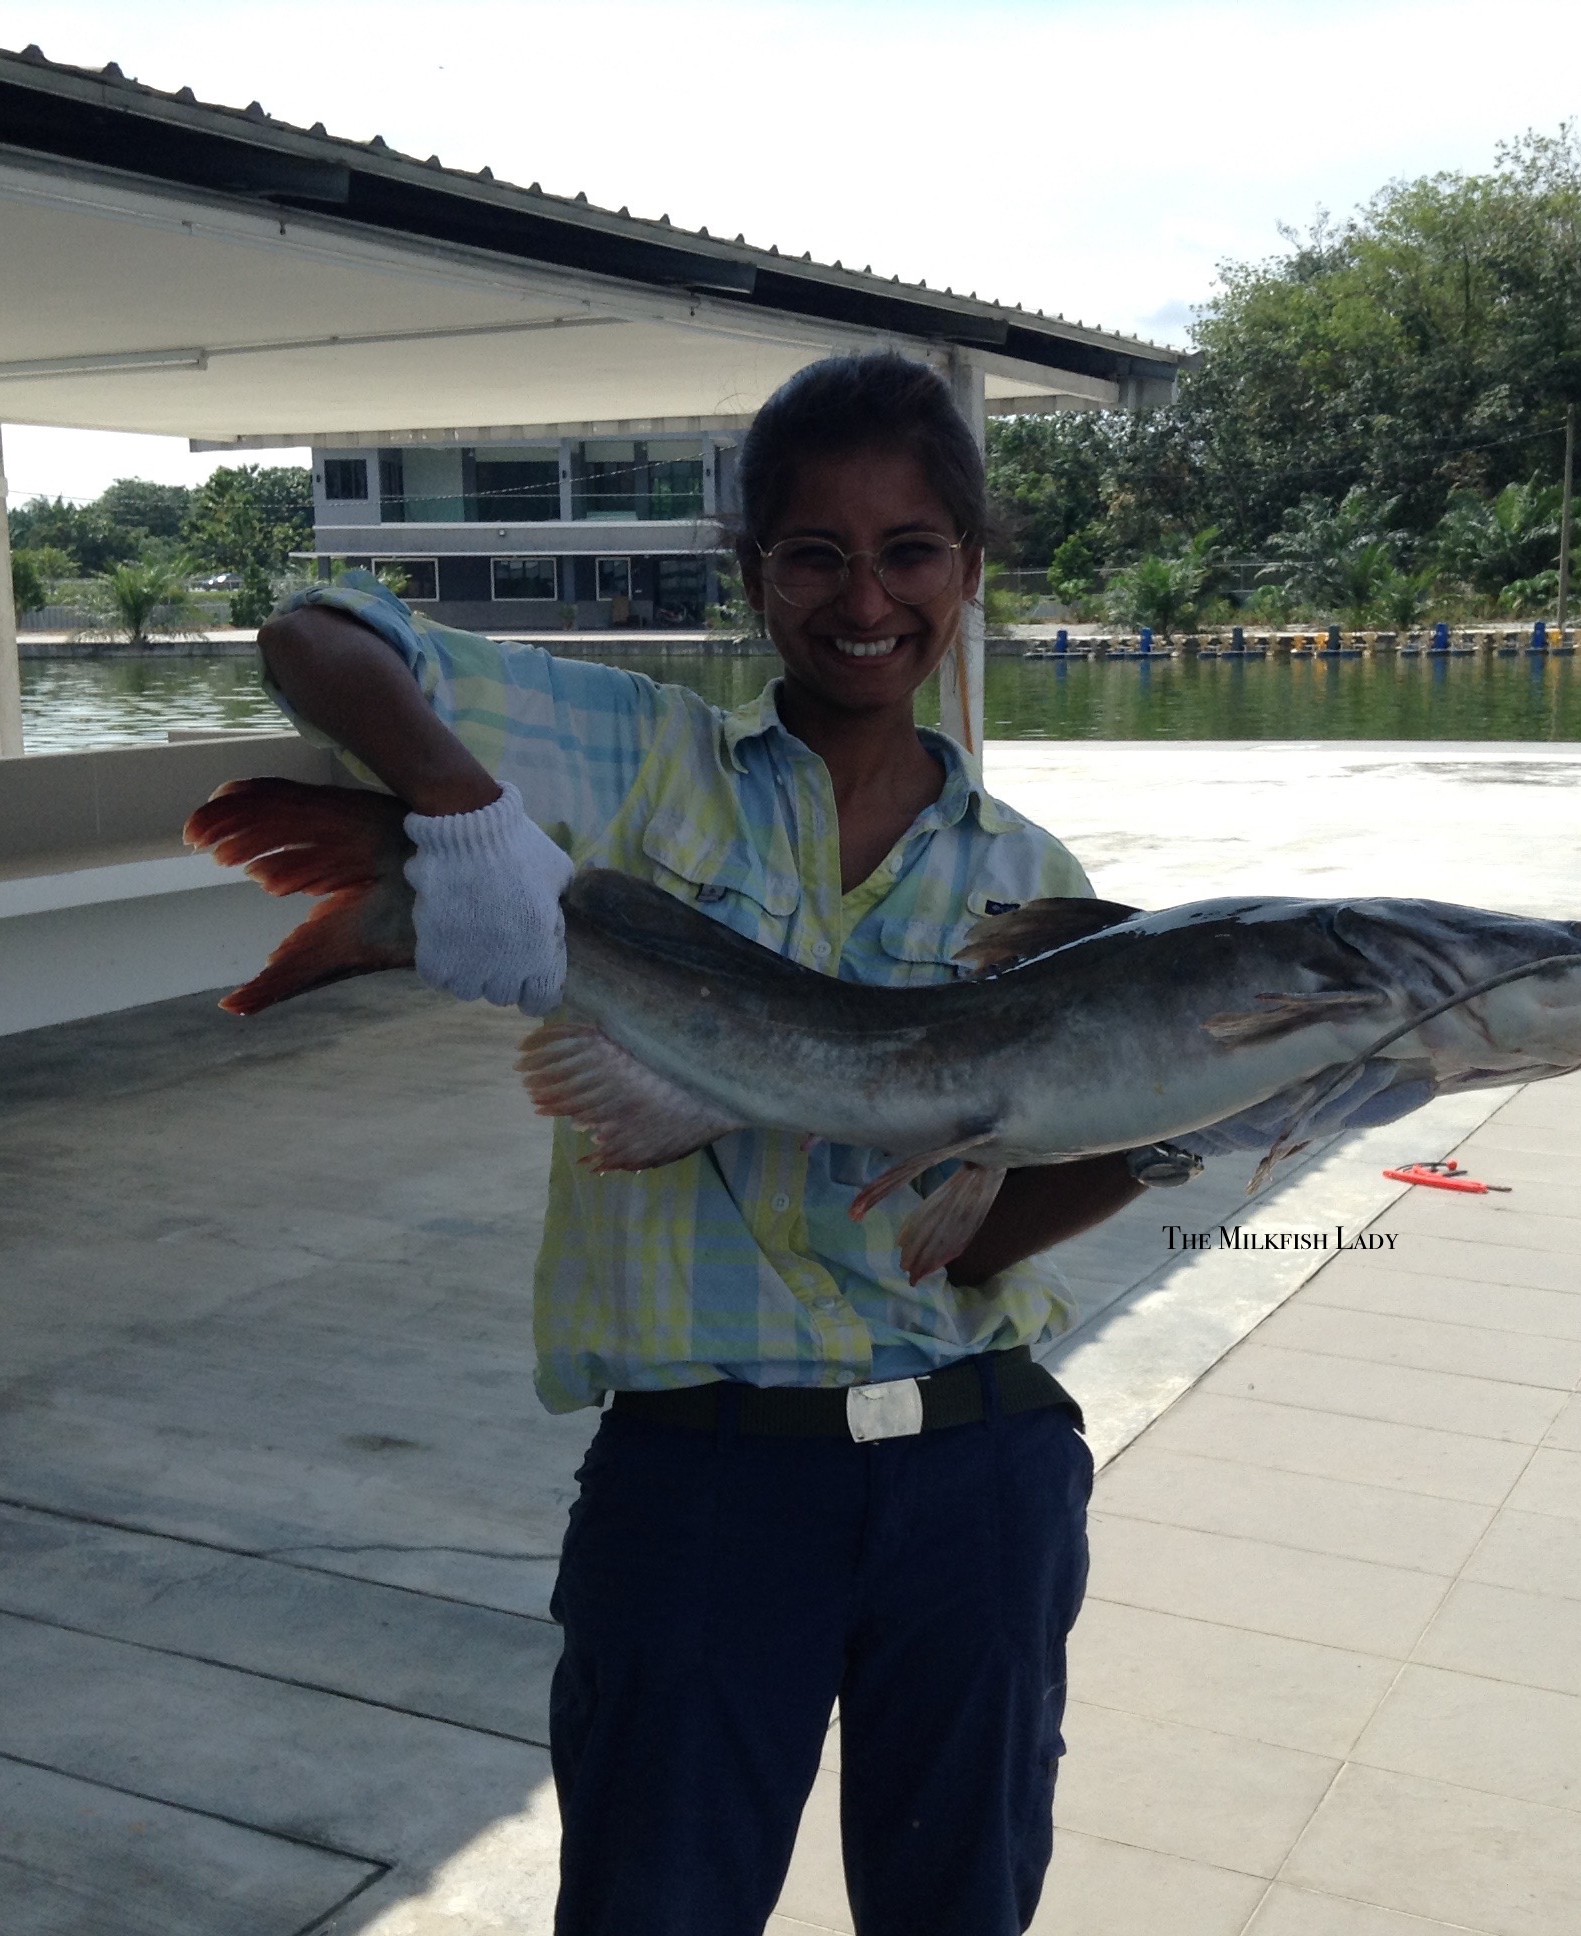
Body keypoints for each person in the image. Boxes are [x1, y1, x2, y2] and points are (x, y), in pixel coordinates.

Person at [258, 353, 1146, 1934]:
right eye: (814, 554)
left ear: (969, 567)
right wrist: (464, 816)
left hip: (981, 1473)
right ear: (750, 570)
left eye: (910, 551)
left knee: (962, 1907)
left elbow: (976, 1244)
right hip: (706, 1484)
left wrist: (1184, 1124)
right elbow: (314, 636)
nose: (863, 599)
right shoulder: (635, 757)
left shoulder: (1035, 884)